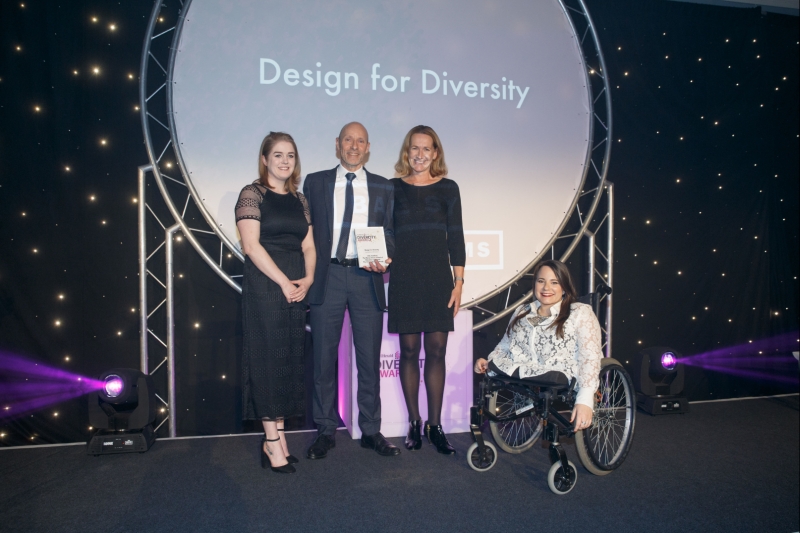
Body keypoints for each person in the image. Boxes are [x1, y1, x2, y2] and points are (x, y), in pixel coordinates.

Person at [302, 122, 400, 458]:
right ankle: (325, 430)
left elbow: (390, 233)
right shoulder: (315, 182)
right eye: (348, 140)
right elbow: (306, 230)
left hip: (365, 279)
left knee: (370, 361)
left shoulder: (384, 187)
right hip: (326, 278)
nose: (354, 146)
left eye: (360, 141)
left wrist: (386, 257)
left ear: (368, 147)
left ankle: (372, 430)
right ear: (338, 144)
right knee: (323, 362)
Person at [235, 132, 316, 474]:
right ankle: (271, 444)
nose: (285, 161)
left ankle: (280, 436)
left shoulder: (300, 199)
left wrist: (308, 279)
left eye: (291, 155)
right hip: (267, 287)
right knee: (269, 359)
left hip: (296, 287)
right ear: (265, 159)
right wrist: (284, 281)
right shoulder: (251, 194)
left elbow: (309, 245)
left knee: (288, 360)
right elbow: (251, 247)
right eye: (278, 155)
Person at [388, 125, 465, 455]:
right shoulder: (390, 188)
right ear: (407, 152)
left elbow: (456, 237)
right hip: (403, 278)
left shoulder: (449, 188)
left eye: (426, 149)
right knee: (407, 353)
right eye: (414, 148)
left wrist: (459, 282)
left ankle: (435, 425)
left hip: (437, 280)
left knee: (436, 353)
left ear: (436, 153)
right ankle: (414, 423)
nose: (420, 154)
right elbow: (381, 233)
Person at [474, 260, 601, 431]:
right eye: (541, 281)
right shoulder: (522, 312)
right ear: (534, 285)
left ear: (564, 286)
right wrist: (489, 361)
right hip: (523, 369)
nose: (546, 287)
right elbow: (505, 345)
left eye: (554, 282)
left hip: (560, 372)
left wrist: (585, 399)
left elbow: (590, 356)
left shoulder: (580, 312)